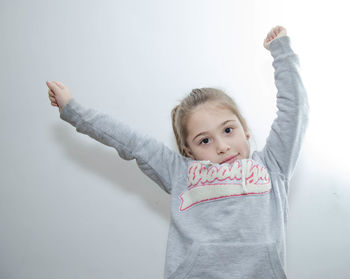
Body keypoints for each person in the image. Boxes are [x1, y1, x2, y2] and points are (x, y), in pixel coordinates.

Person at [46, 25, 309, 279]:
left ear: (245, 129)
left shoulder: (273, 166)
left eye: (228, 130)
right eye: (204, 141)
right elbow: (130, 141)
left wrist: (282, 54)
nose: (222, 146)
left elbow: (294, 111)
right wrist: (74, 112)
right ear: (189, 151)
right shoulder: (179, 172)